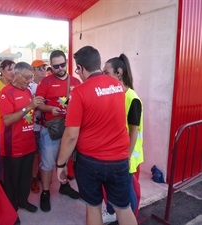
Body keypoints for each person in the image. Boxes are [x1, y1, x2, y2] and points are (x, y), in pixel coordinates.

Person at [56, 46, 137, 225]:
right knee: (123, 208)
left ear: (82, 68)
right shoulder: (118, 86)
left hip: (90, 162)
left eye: (78, 69)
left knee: (93, 207)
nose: (78, 73)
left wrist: (61, 164)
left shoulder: (79, 92)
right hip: (119, 160)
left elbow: (70, 135)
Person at [0, 62, 45, 220]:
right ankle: (11, 211)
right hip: (13, 145)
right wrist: (29, 106)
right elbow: (7, 120)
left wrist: (39, 105)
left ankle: (23, 201)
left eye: (31, 77)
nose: (29, 80)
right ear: (16, 75)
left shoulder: (27, 92)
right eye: (26, 77)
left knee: (25, 177)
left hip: (28, 143)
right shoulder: (6, 93)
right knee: (11, 180)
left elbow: (29, 112)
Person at [36, 50, 81, 212]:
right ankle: (46, 192)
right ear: (51, 66)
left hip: (71, 128)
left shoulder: (76, 81)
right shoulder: (45, 82)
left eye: (63, 64)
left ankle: (64, 185)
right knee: (48, 163)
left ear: (66, 61)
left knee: (66, 158)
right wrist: (49, 108)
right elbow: (38, 104)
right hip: (51, 129)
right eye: (56, 66)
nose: (60, 68)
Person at [101, 54, 144, 223]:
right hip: (115, 153)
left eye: (106, 72)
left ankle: (130, 219)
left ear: (118, 72)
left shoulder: (132, 98)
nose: (103, 76)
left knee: (128, 192)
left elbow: (134, 131)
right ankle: (112, 212)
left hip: (127, 155)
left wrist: (126, 156)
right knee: (113, 188)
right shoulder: (116, 94)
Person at [29, 59, 47, 193]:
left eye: (44, 67)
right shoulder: (29, 87)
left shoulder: (47, 84)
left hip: (47, 125)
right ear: (33, 71)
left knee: (44, 151)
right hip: (34, 125)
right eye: (39, 68)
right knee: (35, 153)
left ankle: (41, 172)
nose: (43, 70)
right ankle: (34, 176)